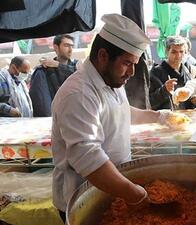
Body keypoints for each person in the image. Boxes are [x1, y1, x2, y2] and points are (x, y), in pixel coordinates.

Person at [51, 14, 174, 222]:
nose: (131, 72)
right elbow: (88, 156)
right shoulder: (79, 94)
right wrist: (136, 194)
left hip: (116, 187)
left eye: (134, 63)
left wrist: (158, 116)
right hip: (83, 195)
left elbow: (121, 111)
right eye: (127, 63)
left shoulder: (110, 80)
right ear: (103, 55)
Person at [29, 34, 79, 117]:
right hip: (55, 116)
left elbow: (80, 73)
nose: (70, 50)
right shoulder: (44, 70)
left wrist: (58, 65)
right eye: (66, 46)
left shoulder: (77, 66)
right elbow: (42, 101)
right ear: (56, 47)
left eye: (72, 46)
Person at [149, 35, 196, 110]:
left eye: (181, 51)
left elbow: (189, 104)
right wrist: (164, 90)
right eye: (174, 52)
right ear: (167, 52)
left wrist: (195, 101)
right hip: (164, 119)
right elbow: (149, 102)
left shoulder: (188, 72)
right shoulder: (155, 73)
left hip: (185, 119)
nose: (178, 55)